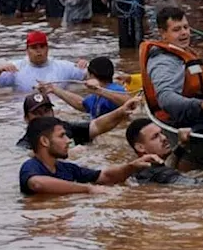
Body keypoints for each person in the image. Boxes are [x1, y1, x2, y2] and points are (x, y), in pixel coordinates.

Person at [141, 5, 203, 133]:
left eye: (186, 27)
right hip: (180, 120)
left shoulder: (186, 54)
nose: (184, 33)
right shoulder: (162, 61)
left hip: (198, 111)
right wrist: (201, 105)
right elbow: (165, 98)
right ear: (163, 33)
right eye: (176, 29)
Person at [18, 116, 157, 196]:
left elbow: (105, 177)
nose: (68, 140)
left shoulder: (68, 169)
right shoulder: (30, 166)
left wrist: (132, 166)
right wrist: (87, 189)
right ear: (44, 141)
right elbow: (38, 184)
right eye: (62, 136)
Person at [17, 91, 141, 149]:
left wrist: (121, 111)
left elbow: (97, 126)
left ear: (53, 112)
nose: (44, 117)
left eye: (46, 111)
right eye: (37, 114)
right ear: (26, 119)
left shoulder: (66, 127)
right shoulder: (25, 145)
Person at [0, 30, 86, 92]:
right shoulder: (15, 68)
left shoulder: (63, 67)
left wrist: (85, 65)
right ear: (27, 50)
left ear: (47, 48)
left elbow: (91, 77)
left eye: (42, 46)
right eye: (34, 47)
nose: (38, 51)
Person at [41, 56, 130, 119]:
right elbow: (81, 104)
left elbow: (128, 102)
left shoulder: (115, 89)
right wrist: (54, 89)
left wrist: (99, 91)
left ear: (91, 75)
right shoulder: (95, 97)